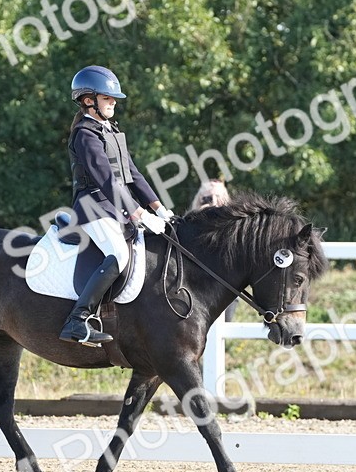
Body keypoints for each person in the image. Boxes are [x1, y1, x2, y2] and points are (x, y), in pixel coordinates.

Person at [60, 65, 174, 346]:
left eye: (113, 99)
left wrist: (159, 208)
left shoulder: (110, 131)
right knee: (118, 255)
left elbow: (132, 173)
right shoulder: (85, 134)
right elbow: (106, 179)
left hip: (114, 207)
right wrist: (138, 212)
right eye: (107, 98)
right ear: (89, 100)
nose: (113, 102)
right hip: (94, 207)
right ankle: (77, 320)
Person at [189, 179, 238, 322]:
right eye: (208, 199)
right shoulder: (188, 227)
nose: (214, 203)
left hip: (223, 294)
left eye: (220, 198)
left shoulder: (234, 230)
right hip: (194, 294)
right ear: (199, 201)